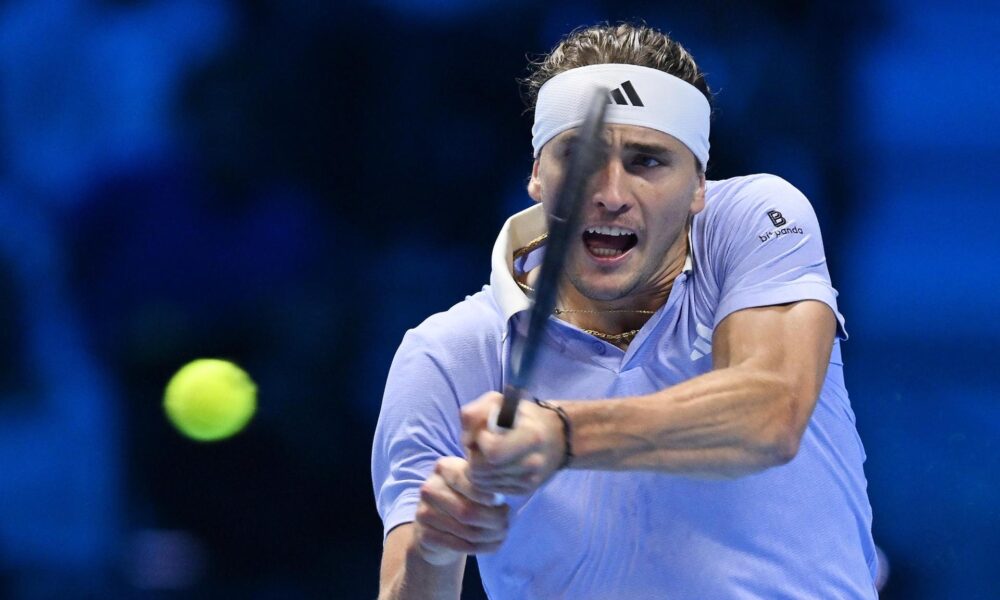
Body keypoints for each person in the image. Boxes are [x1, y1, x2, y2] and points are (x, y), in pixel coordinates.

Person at [372, 22, 877, 599]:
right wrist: (435, 546)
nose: (611, 192)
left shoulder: (753, 222)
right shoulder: (446, 354)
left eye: (647, 161)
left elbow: (770, 413)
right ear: (538, 172)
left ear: (698, 188)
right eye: (580, 156)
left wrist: (561, 435)